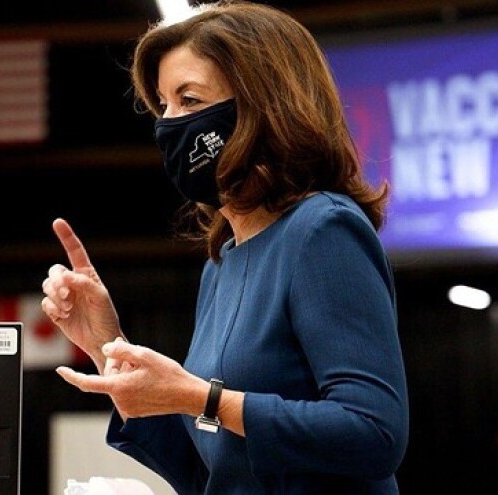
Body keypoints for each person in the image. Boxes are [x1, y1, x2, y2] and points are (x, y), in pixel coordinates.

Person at [40, 1, 409, 493]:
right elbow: (212, 474)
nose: (168, 124)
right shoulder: (223, 262)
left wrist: (202, 398)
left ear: (261, 104)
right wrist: (108, 345)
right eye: (163, 104)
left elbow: (374, 432)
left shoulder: (323, 230)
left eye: (189, 101)